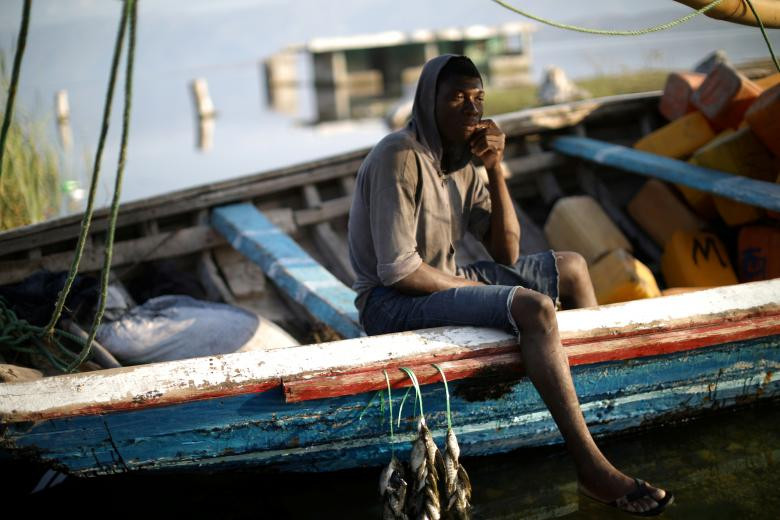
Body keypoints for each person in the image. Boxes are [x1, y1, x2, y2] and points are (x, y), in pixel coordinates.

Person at [347, 54, 673, 516]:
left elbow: (506, 253)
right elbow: (398, 271)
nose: (471, 110)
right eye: (457, 98)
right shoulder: (399, 157)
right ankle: (591, 468)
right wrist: (467, 287)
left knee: (574, 267)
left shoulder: (463, 162)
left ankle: (591, 420)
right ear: (427, 101)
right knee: (536, 309)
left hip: (438, 279)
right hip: (390, 302)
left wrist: (495, 168)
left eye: (478, 99)